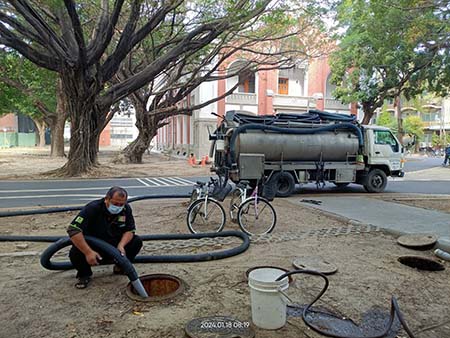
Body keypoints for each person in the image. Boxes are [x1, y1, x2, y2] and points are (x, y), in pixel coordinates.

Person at [67, 186, 142, 289]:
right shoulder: (93, 208)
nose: (118, 207)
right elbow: (73, 230)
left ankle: (120, 267)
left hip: (114, 245)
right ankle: (84, 275)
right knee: (75, 252)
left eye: (121, 204)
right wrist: (88, 252)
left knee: (136, 241)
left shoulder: (125, 209)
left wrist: (121, 245)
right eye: (115, 204)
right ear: (107, 199)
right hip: (94, 246)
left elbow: (130, 230)